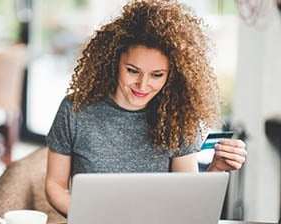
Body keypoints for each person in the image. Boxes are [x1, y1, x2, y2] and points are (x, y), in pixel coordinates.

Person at [45, 0, 247, 217]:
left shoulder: (178, 117)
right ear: (114, 62)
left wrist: (217, 168)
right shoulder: (75, 110)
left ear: (172, 75)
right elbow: (55, 185)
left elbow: (186, 199)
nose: (143, 85)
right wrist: (92, 218)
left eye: (157, 75)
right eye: (133, 71)